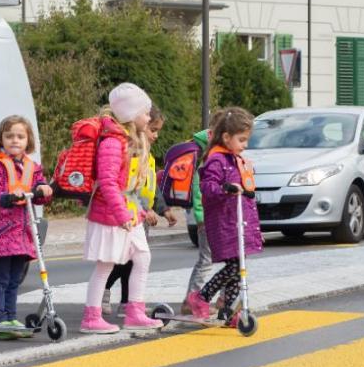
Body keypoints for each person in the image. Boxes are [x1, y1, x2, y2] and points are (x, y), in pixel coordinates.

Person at [80, 83, 164, 334]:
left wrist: (135, 212)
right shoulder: (113, 143)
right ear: (130, 113)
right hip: (112, 214)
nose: (148, 118)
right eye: (145, 113)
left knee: (142, 257)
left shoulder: (127, 140)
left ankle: (134, 311)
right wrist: (122, 214)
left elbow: (127, 186)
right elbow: (107, 183)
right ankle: (91, 317)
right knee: (105, 264)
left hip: (127, 213)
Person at [185, 107, 263, 325]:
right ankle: (201, 297)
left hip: (238, 221)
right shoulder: (216, 160)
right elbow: (207, 186)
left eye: (246, 140)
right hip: (224, 223)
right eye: (242, 140)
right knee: (235, 267)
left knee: (239, 268)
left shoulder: (235, 159)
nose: (245, 145)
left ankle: (227, 309)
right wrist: (225, 188)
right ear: (226, 137)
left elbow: (244, 191)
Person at [0, 115, 52, 339]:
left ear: (28, 140)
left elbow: (38, 189)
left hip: (22, 233)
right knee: (0, 279)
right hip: (2, 232)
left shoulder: (32, 167)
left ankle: (11, 316)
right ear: (1, 139)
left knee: (14, 280)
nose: (15, 140)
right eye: (9, 136)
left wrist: (43, 190)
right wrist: (6, 196)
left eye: (20, 136)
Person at [103, 106, 177, 317]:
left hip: (141, 217)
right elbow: (127, 189)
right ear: (140, 127)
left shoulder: (148, 156)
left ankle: (127, 303)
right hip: (128, 216)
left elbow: (151, 188)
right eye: (153, 129)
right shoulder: (131, 154)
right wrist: (146, 209)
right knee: (122, 260)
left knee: (132, 261)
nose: (156, 135)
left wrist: (164, 210)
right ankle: (105, 291)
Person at [180, 127, 214, 315]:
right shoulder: (200, 155)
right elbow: (196, 188)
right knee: (207, 260)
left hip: (208, 216)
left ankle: (192, 300)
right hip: (206, 217)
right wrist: (200, 216)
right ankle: (190, 301)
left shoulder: (199, 149)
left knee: (210, 259)